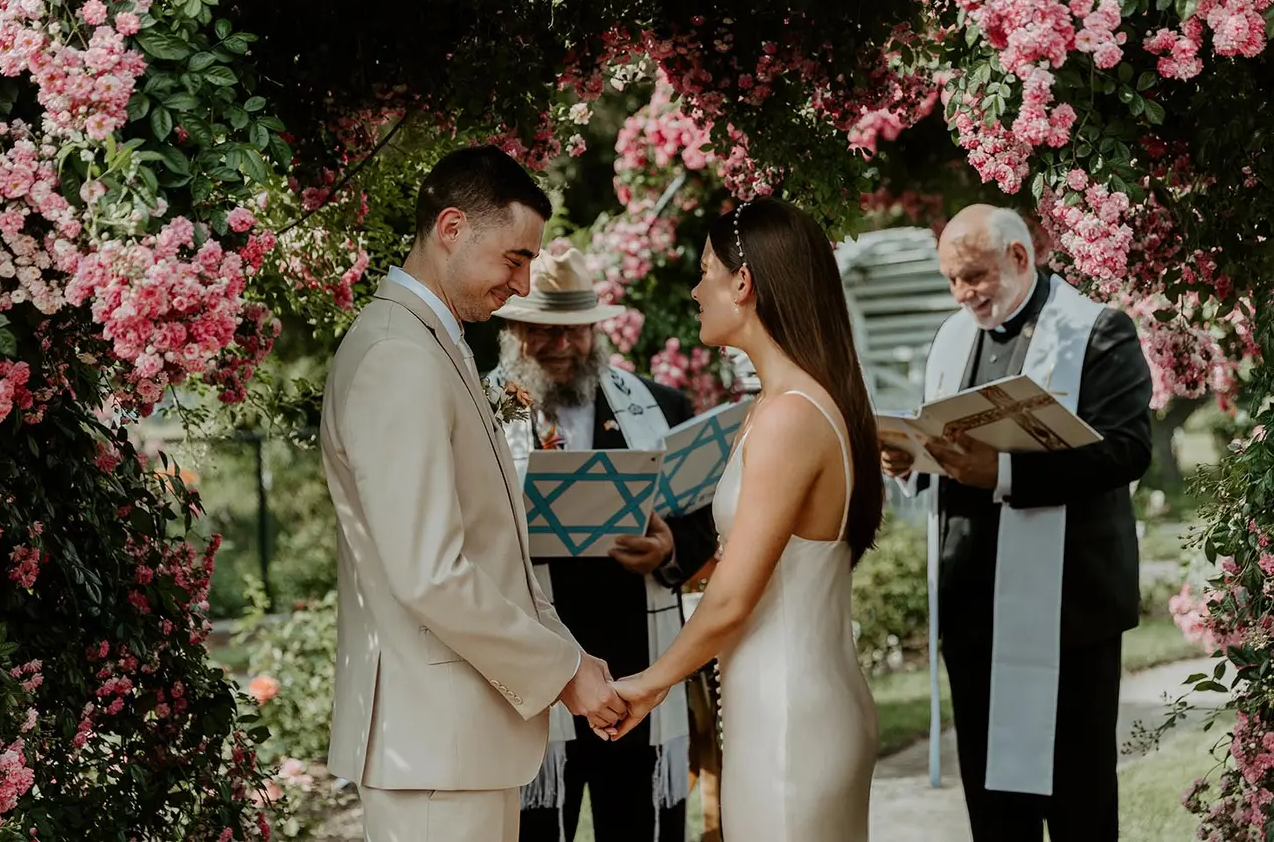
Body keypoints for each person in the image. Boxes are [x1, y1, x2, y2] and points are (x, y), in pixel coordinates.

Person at [318, 146, 626, 842]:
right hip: (432, 752)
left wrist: (568, 647)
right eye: (514, 258)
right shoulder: (400, 355)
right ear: (452, 228)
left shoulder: (437, 343)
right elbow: (433, 572)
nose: (521, 285)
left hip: (456, 747)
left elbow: (496, 546)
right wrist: (562, 669)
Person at [610, 196, 886, 842]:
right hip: (783, 705)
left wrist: (648, 685)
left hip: (791, 718)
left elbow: (735, 597)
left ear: (744, 281)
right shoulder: (783, 403)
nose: (695, 287)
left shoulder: (791, 415)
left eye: (706, 269)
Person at [881, 204, 1152, 842]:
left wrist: (1003, 473)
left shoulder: (1098, 331)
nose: (963, 294)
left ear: (1021, 258)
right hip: (976, 607)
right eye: (952, 279)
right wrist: (909, 459)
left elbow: (1127, 449)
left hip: (1070, 609)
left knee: (1080, 798)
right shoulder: (953, 337)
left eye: (974, 276)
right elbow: (944, 446)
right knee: (994, 806)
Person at [486, 247, 717, 842]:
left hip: (636, 661)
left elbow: (702, 520)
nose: (564, 346)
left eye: (577, 332)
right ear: (514, 329)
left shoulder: (658, 407)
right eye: (545, 331)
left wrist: (668, 549)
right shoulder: (479, 410)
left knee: (639, 826)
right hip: (537, 662)